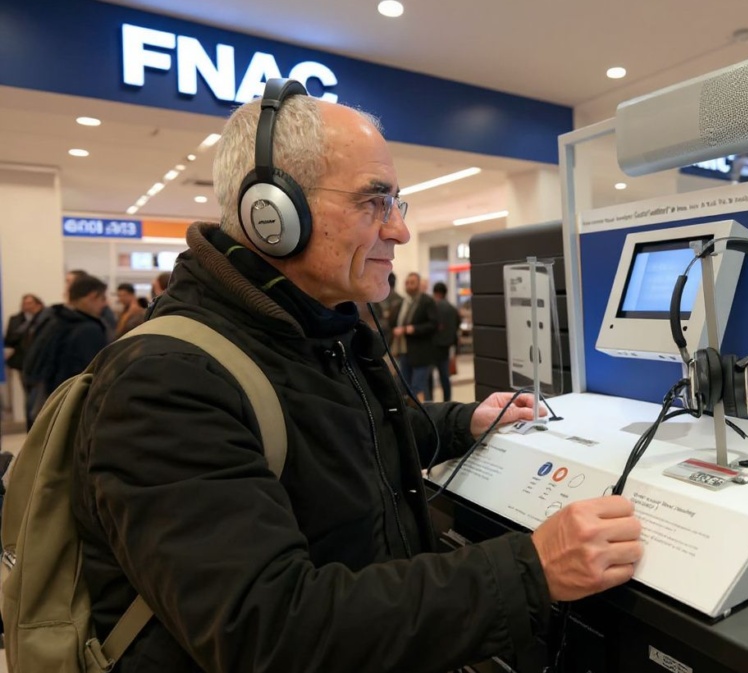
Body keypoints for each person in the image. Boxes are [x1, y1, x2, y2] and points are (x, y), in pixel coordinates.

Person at [70, 81, 643, 673]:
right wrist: (531, 569)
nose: (398, 231)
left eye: (397, 204)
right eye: (374, 202)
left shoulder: (314, 333)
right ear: (272, 214)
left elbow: (342, 447)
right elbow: (268, 631)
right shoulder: (166, 382)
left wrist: (461, 422)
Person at [22, 275, 109, 424]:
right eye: (102, 299)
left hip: (51, 404)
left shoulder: (54, 320)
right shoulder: (88, 329)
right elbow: (94, 375)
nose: (105, 304)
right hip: (74, 409)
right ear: (92, 296)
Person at [391, 271, 437, 401]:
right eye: (407, 283)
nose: (409, 286)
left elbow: (433, 324)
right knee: (405, 387)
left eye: (412, 283)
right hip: (404, 351)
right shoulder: (403, 303)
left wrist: (413, 329)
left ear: (418, 284)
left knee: (418, 387)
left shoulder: (426, 302)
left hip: (421, 352)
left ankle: (425, 415)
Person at [3, 293, 45, 424]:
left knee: (39, 394)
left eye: (29, 303)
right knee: (29, 393)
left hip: (40, 362)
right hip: (23, 363)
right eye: (25, 303)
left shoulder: (44, 318)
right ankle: (30, 422)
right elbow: (9, 339)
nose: (26, 306)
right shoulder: (15, 319)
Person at [431, 281, 460, 402]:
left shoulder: (433, 307)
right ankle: (447, 401)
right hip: (447, 347)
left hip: (433, 346)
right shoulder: (453, 309)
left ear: (435, 293)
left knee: (429, 377)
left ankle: (429, 401)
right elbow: (457, 325)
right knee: (445, 377)